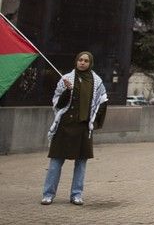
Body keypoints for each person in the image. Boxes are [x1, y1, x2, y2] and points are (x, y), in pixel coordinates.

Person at [41, 51, 108, 205]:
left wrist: (95, 123)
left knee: (81, 164)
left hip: (83, 127)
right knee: (55, 162)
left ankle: (76, 195)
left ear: (90, 63)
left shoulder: (97, 81)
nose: (82, 63)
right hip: (64, 126)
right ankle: (48, 194)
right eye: (80, 60)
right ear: (76, 61)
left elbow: (102, 101)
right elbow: (57, 103)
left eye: (85, 60)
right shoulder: (66, 79)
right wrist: (67, 91)